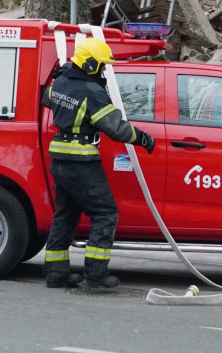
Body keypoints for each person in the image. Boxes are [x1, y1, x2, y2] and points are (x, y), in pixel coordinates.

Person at [41, 37, 156, 290]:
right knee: (105, 213)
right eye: (101, 66)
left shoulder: (61, 82)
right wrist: (144, 138)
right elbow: (116, 129)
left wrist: (62, 78)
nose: (104, 70)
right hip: (81, 160)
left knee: (65, 216)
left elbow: (46, 99)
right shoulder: (91, 92)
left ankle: (56, 275)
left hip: (59, 159)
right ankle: (95, 274)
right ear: (90, 63)